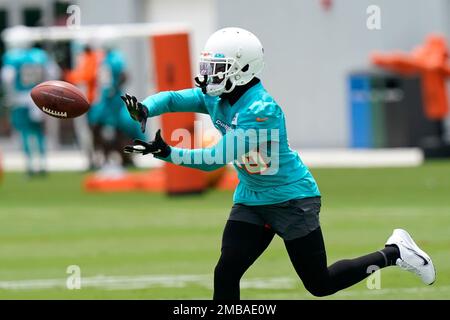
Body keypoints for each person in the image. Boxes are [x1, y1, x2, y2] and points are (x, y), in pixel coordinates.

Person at [122, 27, 435, 299]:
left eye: (217, 68)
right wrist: (146, 109)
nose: (208, 76)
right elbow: (174, 99)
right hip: (252, 197)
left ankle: (394, 253)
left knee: (320, 284)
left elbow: (214, 158)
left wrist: (167, 152)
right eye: (208, 67)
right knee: (226, 272)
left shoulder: (261, 110)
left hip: (292, 199)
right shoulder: (217, 97)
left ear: (242, 69)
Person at [1, 27, 58, 177]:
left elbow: (7, 78)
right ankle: (43, 164)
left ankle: (31, 166)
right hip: (39, 97)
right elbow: (54, 73)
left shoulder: (13, 57)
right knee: (39, 132)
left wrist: (9, 96)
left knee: (25, 133)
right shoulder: (40, 55)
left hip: (21, 98)